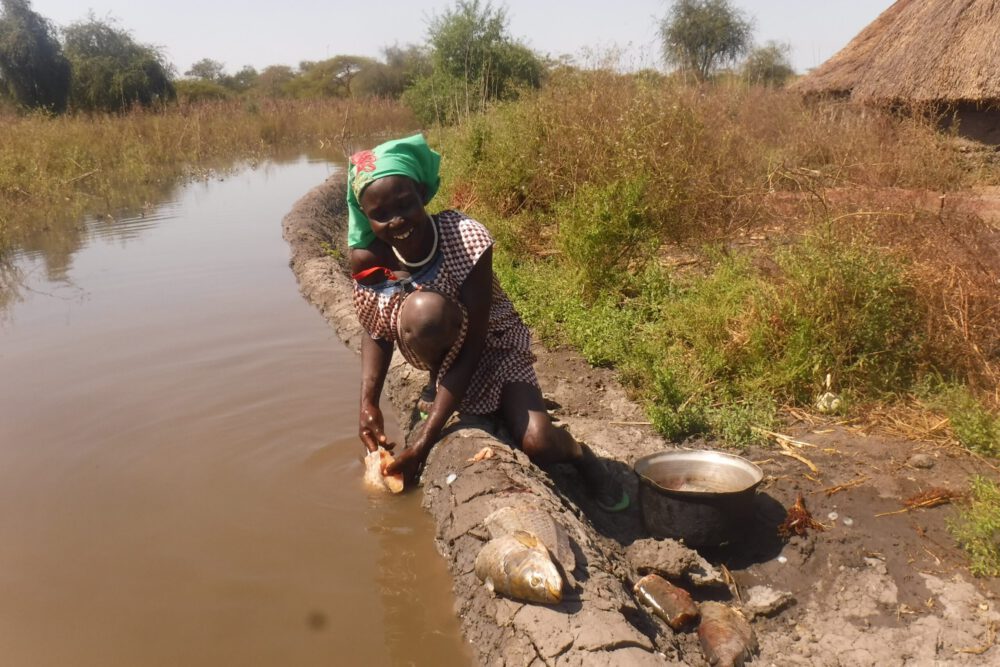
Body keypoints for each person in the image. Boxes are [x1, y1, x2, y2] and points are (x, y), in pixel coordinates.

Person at [347, 133, 628, 511]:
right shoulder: (371, 259)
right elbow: (375, 328)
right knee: (421, 317)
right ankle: (438, 384)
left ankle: (582, 456)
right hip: (438, 350)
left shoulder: (463, 237)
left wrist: (423, 444)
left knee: (538, 442)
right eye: (380, 214)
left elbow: (476, 339)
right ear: (365, 216)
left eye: (405, 204)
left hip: (493, 345)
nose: (396, 221)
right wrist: (368, 403)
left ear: (423, 195)